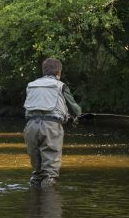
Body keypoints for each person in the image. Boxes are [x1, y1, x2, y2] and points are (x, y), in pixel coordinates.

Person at [23, 58, 82, 187]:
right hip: (51, 127)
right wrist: (78, 116)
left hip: (30, 127)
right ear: (59, 72)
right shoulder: (60, 86)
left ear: (43, 71)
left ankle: (34, 201)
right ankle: (49, 204)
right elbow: (75, 108)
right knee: (49, 173)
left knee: (36, 173)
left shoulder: (31, 85)